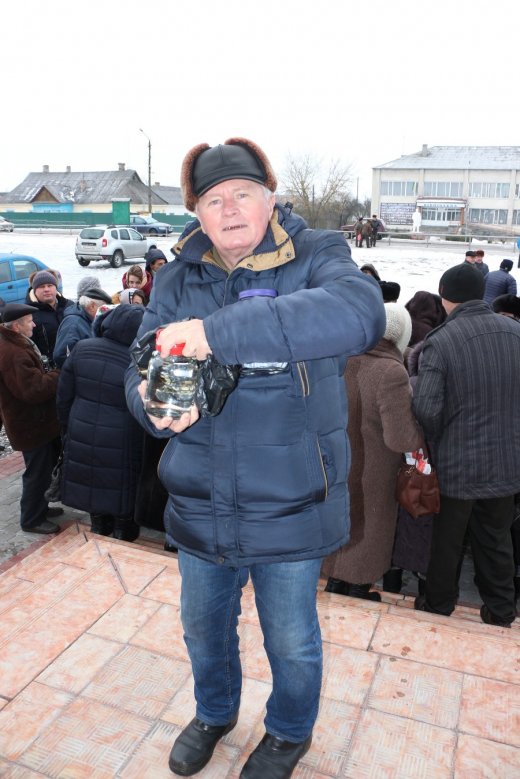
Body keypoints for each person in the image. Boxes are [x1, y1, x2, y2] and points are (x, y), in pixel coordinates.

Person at [125, 136, 386, 778]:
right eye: (213, 200)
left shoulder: (318, 253)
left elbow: (359, 314)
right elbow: (141, 360)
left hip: (290, 502)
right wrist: (151, 402)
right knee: (202, 630)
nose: (230, 208)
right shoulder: (179, 276)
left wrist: (214, 334)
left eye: (243, 193)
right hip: (200, 499)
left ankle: (289, 733)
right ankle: (214, 713)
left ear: (270, 199)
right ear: (197, 213)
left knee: (291, 641)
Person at [413, 263, 520, 627]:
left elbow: (427, 408)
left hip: (457, 464)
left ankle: (439, 605)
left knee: (448, 541)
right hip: (507, 461)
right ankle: (501, 609)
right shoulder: (515, 332)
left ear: (444, 296)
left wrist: (440, 438)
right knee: (496, 538)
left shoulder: (441, 340)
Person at [321, 304, 422, 601]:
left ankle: (335, 584)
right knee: (368, 529)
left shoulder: (342, 359)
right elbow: (399, 438)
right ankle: (356, 590)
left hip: (336, 461)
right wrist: (419, 433)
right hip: (373, 470)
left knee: (342, 523)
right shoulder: (391, 371)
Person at [57, 304, 145, 540]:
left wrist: (68, 427)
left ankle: (98, 528)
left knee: (90, 480)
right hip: (122, 435)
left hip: (81, 428)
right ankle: (122, 533)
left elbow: (63, 396)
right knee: (122, 485)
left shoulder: (82, 348)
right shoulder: (137, 361)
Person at [0, 303, 62, 534]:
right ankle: (31, 519)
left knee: (42, 469)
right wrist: (58, 374)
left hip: (33, 422)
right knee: (37, 473)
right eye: (29, 321)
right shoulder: (13, 352)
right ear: (16, 326)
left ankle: (40, 508)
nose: (34, 325)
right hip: (30, 424)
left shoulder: (12, 343)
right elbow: (33, 390)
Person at [53, 287, 112, 367]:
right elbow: (61, 355)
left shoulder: (88, 320)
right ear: (92, 306)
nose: (106, 312)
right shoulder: (73, 324)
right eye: (104, 308)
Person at [25, 270, 73, 363]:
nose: (46, 289)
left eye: (50, 285)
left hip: (74, 360)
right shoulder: (28, 313)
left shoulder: (70, 306)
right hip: (49, 366)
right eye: (41, 286)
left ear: (56, 287)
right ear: (34, 290)